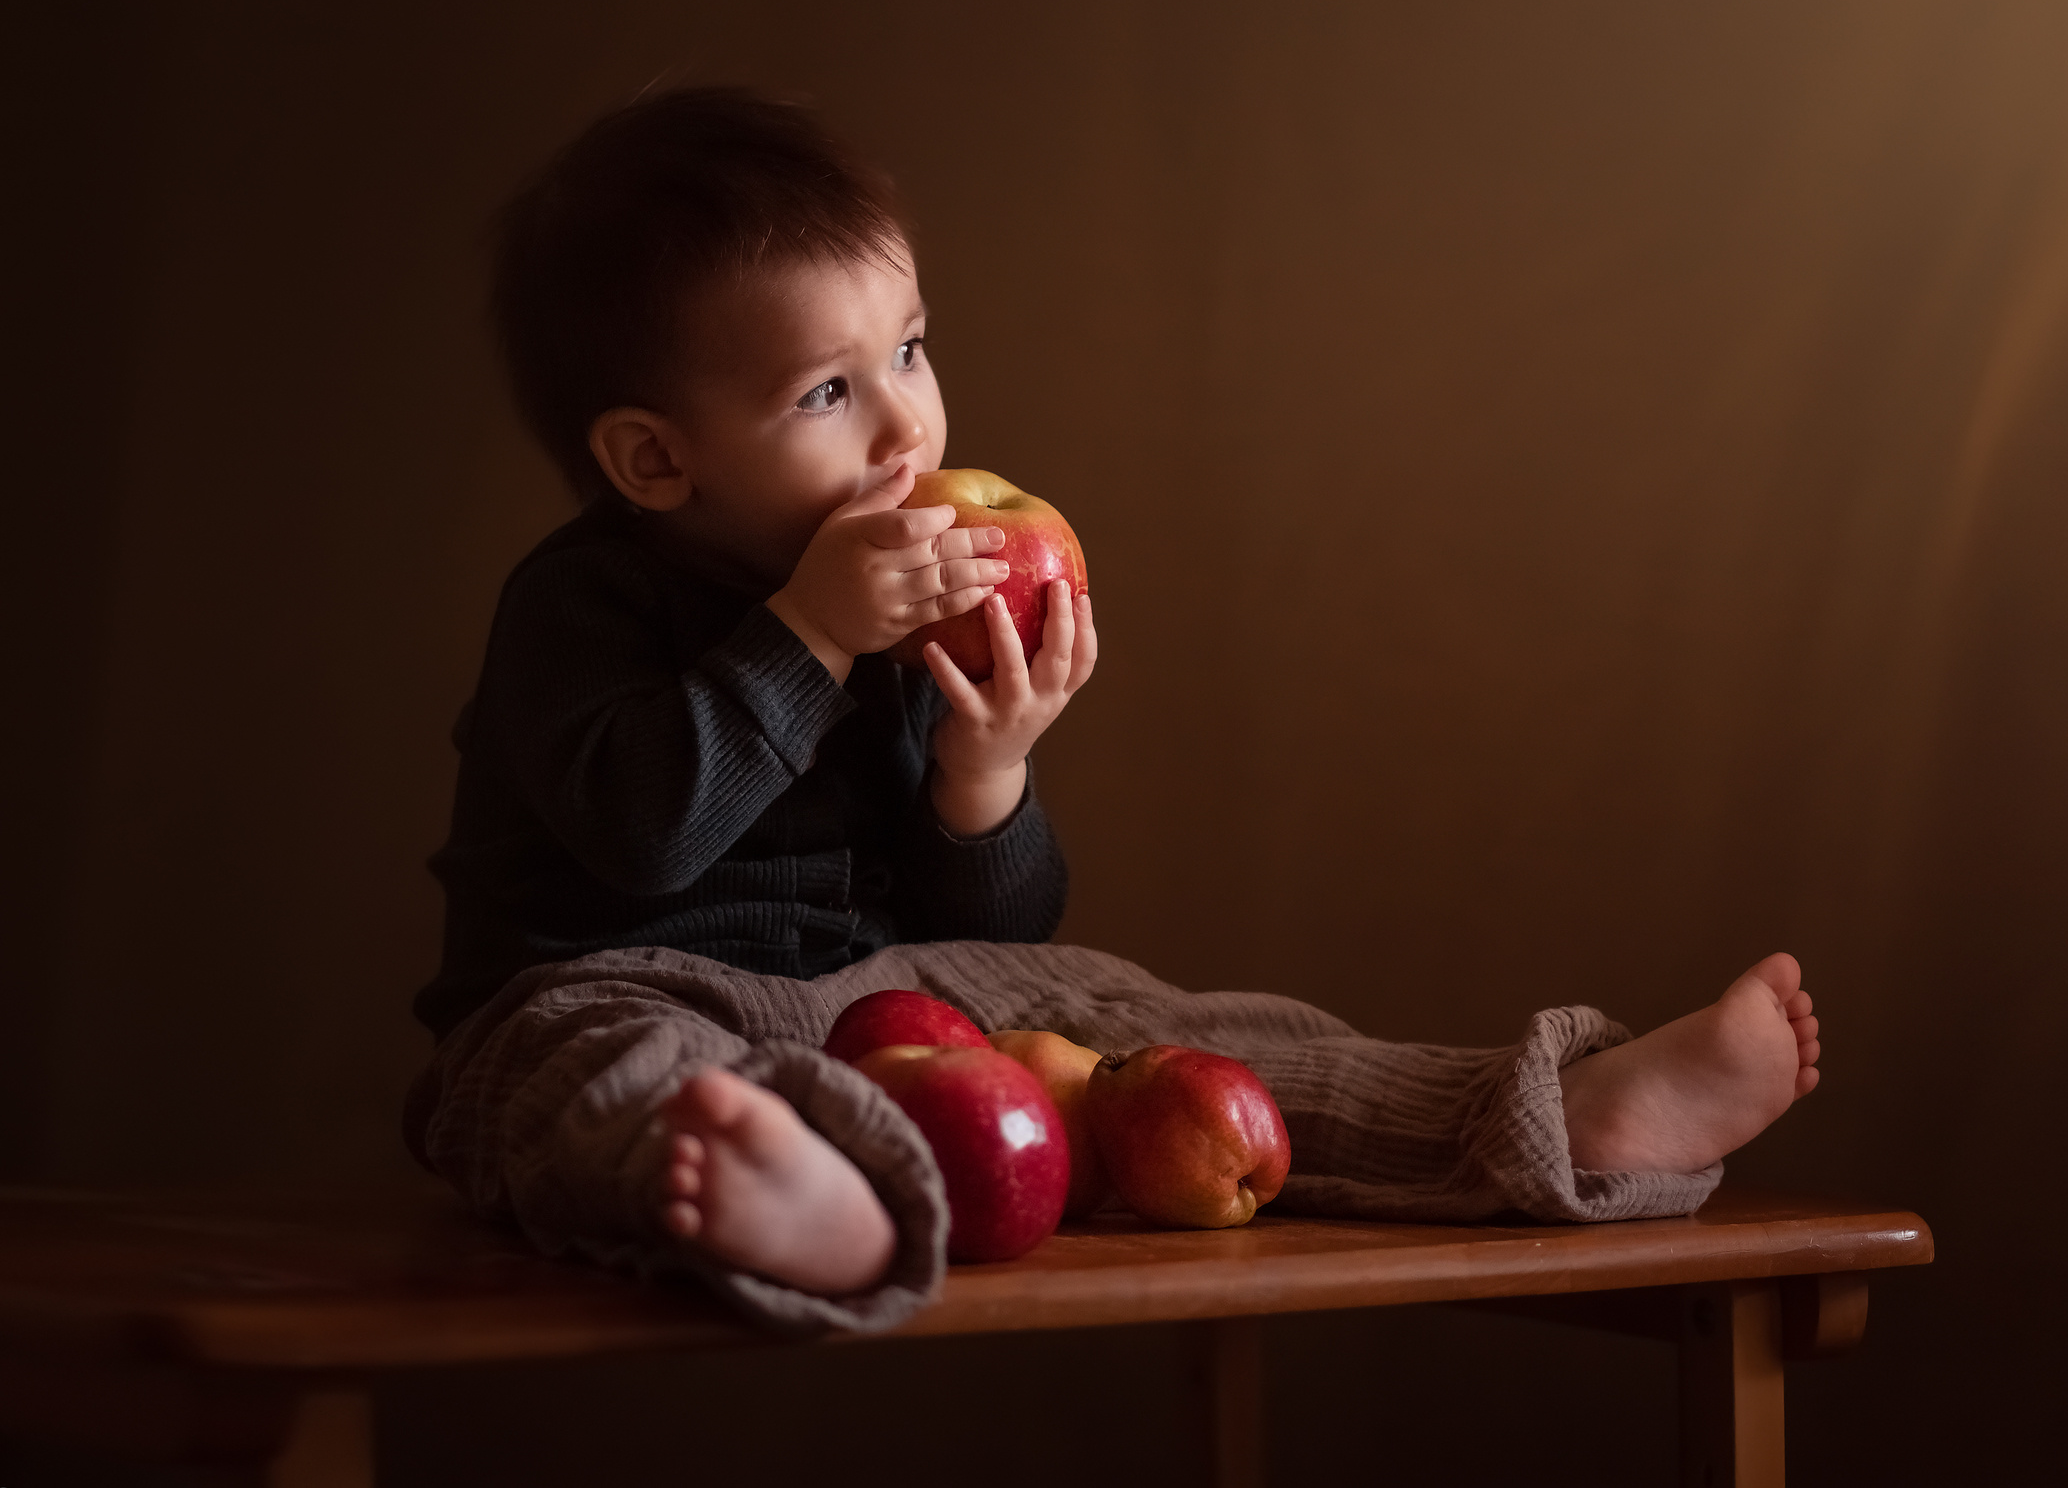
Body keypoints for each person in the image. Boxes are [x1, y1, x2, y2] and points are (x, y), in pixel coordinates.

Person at [406, 88, 1823, 1333]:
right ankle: (814, 1194)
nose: (907, 428)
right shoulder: (581, 601)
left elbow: (992, 938)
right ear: (655, 459)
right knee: (590, 1086)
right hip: (616, 989)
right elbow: (642, 835)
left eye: (910, 350)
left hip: (883, 1001)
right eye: (827, 391)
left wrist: (985, 774)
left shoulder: (894, 599)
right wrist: (813, 634)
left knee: (1138, 1016)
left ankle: (1543, 1119)